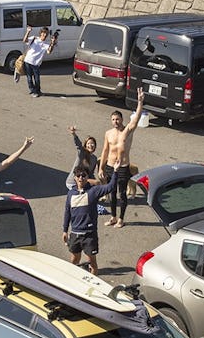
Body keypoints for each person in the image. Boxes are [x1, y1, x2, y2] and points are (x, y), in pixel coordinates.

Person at [99, 88, 146, 228]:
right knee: (111, 193)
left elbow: (136, 119)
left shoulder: (127, 131)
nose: (116, 122)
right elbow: (105, 150)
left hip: (123, 167)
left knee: (122, 194)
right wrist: (101, 167)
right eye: (113, 120)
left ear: (122, 119)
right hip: (110, 166)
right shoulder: (108, 133)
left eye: (118, 119)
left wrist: (140, 102)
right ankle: (113, 217)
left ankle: (121, 219)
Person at [63, 161, 120, 274]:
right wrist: (65, 230)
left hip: (89, 235)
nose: (81, 178)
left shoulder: (93, 191)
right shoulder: (71, 194)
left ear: (87, 177)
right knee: (74, 260)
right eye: (78, 175)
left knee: (92, 262)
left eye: (84, 175)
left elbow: (111, 187)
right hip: (75, 234)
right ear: (74, 177)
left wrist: (116, 171)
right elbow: (67, 212)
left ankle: (94, 281)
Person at [21, 26, 58, 97]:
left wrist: (52, 43)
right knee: (29, 77)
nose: (44, 35)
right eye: (43, 33)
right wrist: (28, 31)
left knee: (37, 78)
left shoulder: (45, 44)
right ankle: (33, 91)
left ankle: (37, 91)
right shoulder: (34, 39)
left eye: (46, 34)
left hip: (36, 64)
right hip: (28, 61)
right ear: (40, 33)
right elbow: (24, 40)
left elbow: (49, 51)